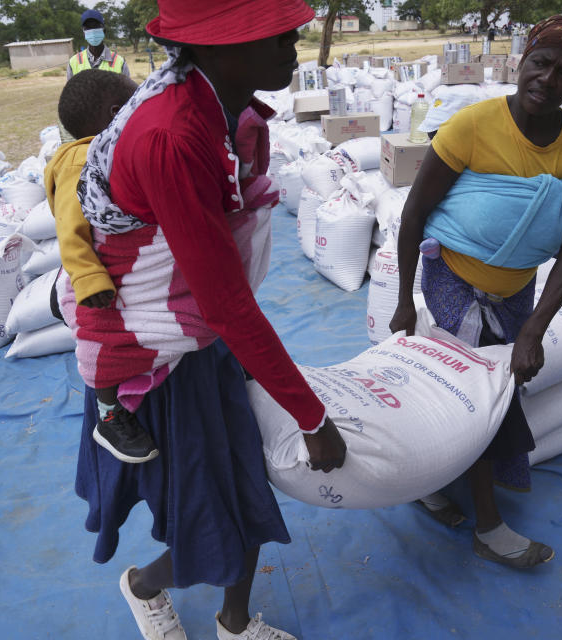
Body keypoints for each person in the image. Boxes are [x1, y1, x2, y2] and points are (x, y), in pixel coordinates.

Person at [59, 1, 347, 638]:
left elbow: (222, 272)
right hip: (162, 358)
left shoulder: (227, 116)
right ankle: (141, 586)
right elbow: (225, 302)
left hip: (202, 339)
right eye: (276, 34)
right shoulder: (173, 136)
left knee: (242, 493)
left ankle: (235, 623)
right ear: (217, 48)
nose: (293, 43)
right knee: (209, 514)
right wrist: (313, 417)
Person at [389, 15, 562, 570]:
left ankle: (428, 477)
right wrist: (404, 298)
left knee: (499, 389)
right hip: (454, 279)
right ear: (520, 63)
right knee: (480, 390)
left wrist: (534, 328)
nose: (548, 79)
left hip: (516, 290)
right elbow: (414, 215)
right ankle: (488, 525)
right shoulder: (472, 126)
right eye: (540, 63)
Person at [46, 69, 159, 465]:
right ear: (117, 112)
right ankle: (109, 414)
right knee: (104, 343)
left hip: (106, 268)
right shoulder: (84, 157)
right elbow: (70, 228)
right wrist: (88, 278)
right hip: (91, 276)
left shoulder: (113, 150)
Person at [67, 9, 131, 80]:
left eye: (96, 26)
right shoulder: (73, 62)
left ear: (104, 31)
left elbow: (127, 91)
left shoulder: (120, 62)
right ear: (83, 33)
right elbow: (70, 90)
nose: (92, 31)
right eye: (88, 27)